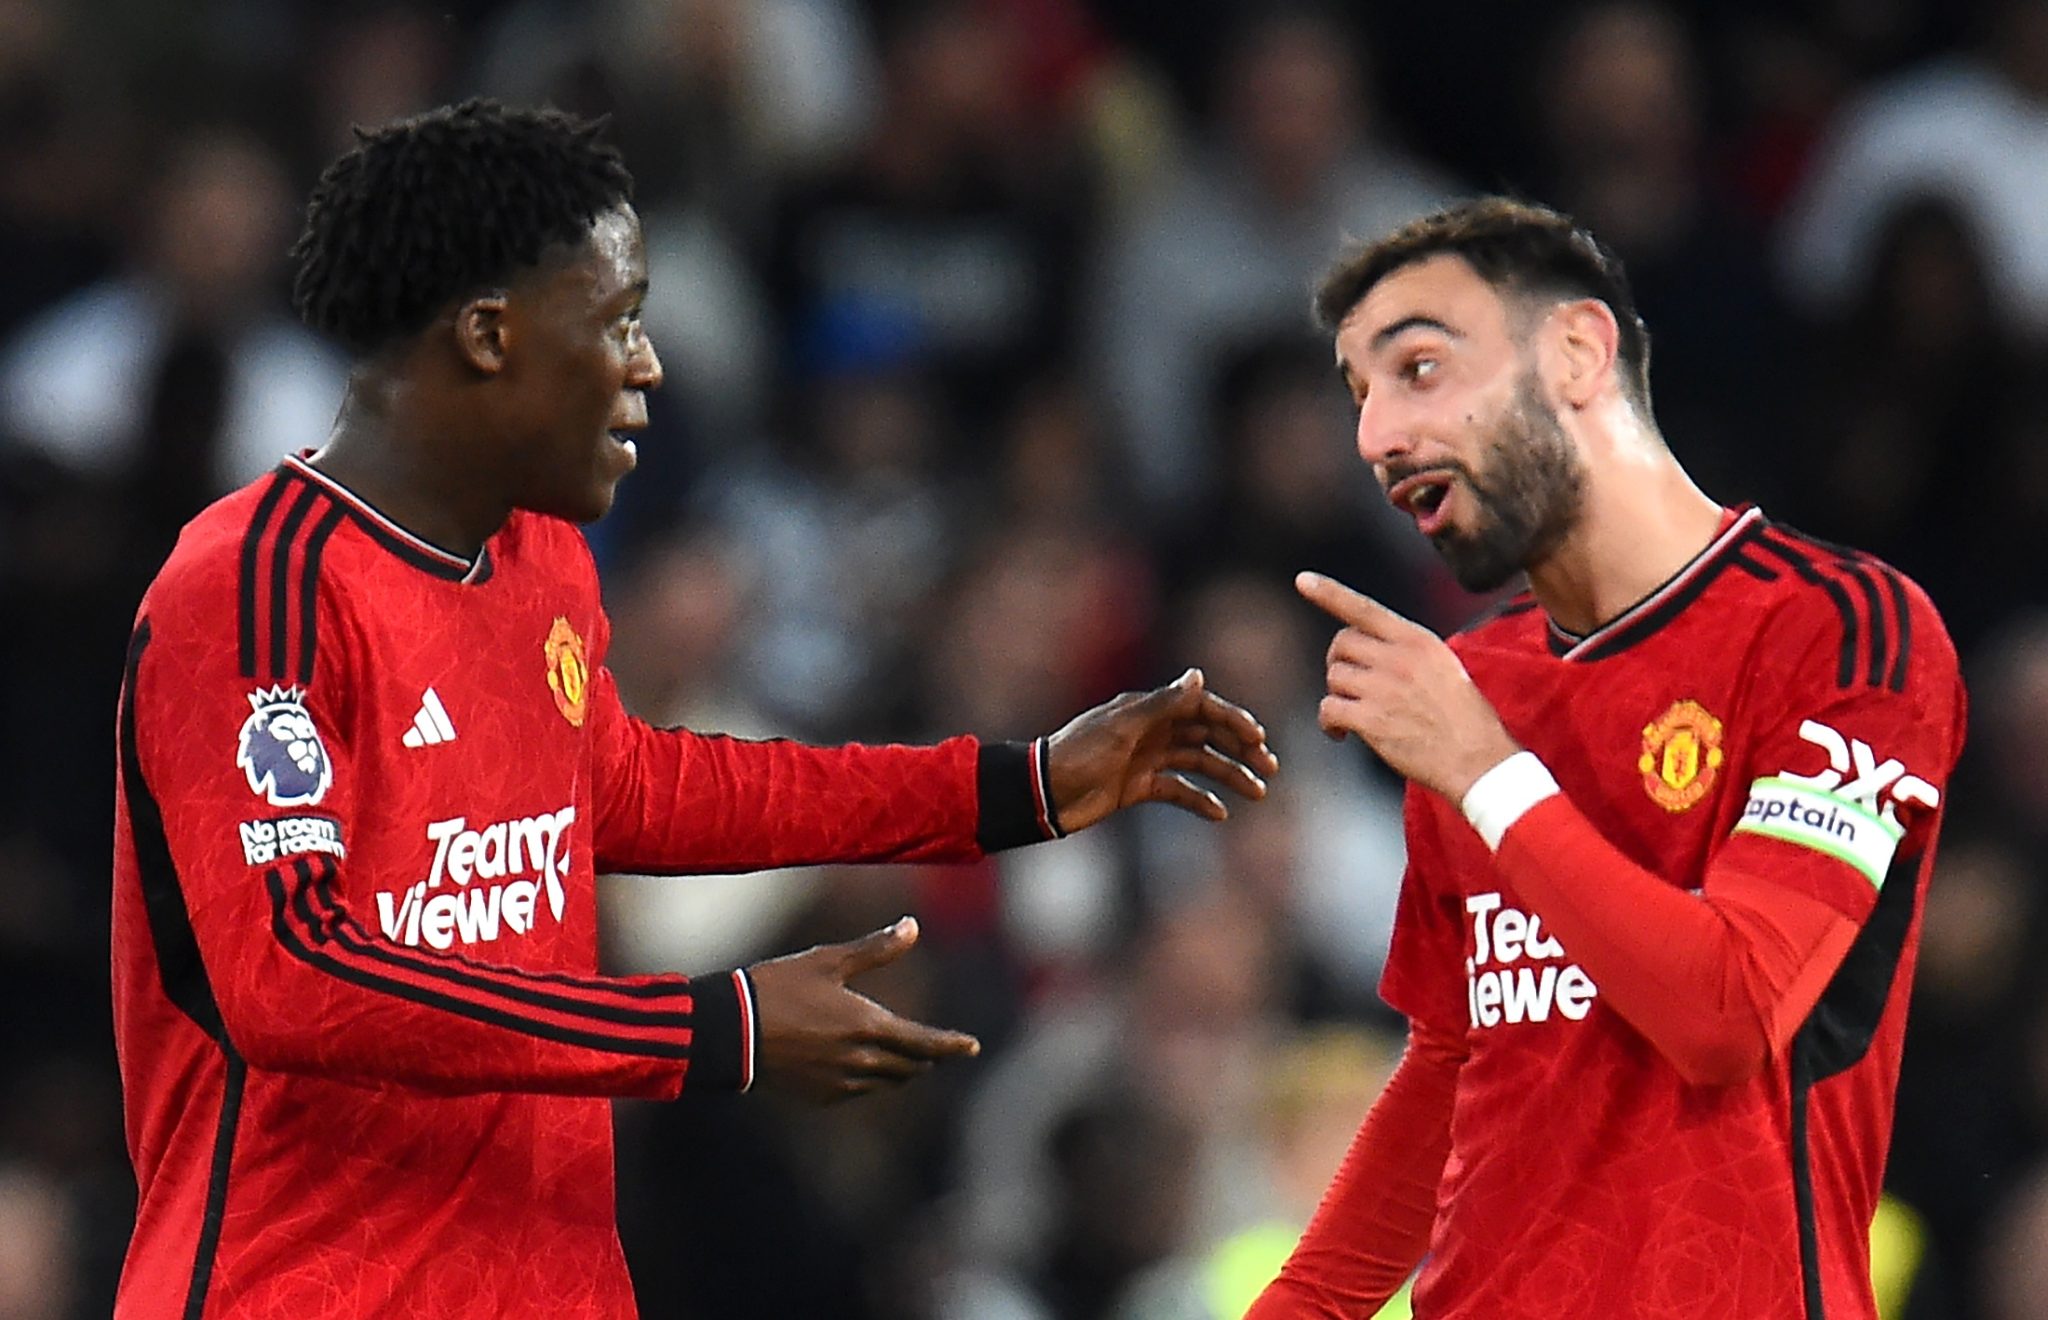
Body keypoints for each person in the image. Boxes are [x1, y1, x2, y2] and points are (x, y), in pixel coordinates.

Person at [110, 100, 1278, 1320]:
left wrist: (1015, 786)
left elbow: (629, 789)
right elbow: (296, 974)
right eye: (617, 320)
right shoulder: (253, 593)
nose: (649, 365)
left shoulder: (539, 554)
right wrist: (712, 1029)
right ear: (489, 336)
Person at [1249, 198, 1964, 1319]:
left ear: (1578, 352)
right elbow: (1453, 1065)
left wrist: (1487, 772)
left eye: (1419, 369)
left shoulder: (1838, 631)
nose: (1375, 436)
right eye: (1358, 395)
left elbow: (1727, 1015)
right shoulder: (1470, 685)